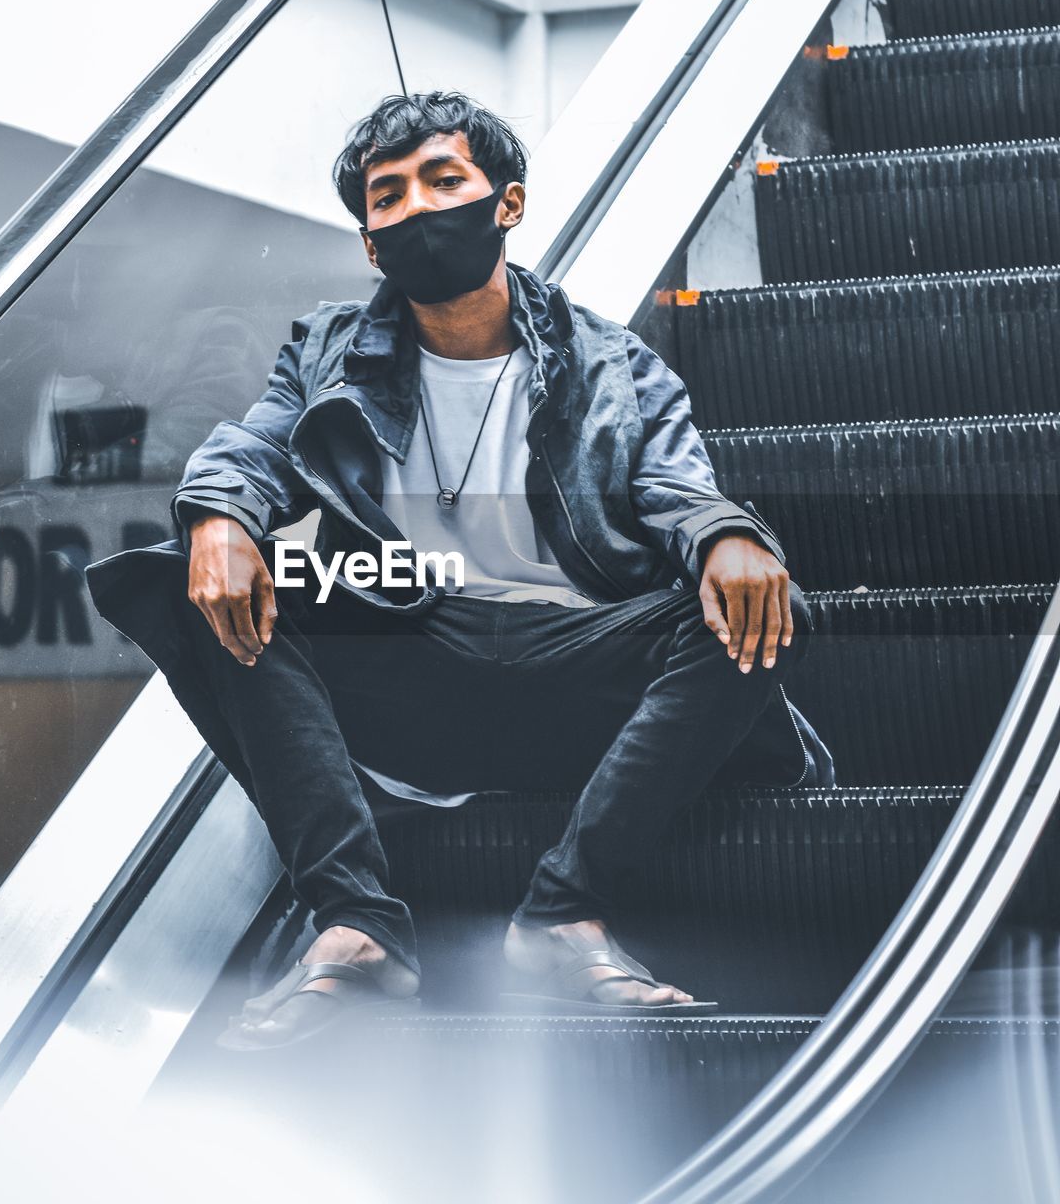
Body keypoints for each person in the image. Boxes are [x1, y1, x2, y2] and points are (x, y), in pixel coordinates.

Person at [86, 91, 834, 1051]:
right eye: (387, 197)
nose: (416, 210)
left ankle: (566, 912)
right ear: (368, 241)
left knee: (757, 600)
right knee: (179, 576)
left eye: (445, 181)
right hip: (418, 660)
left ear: (508, 204)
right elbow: (256, 444)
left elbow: (677, 486)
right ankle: (357, 925)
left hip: (578, 671)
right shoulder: (327, 349)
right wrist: (220, 516)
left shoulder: (615, 363)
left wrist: (728, 533)